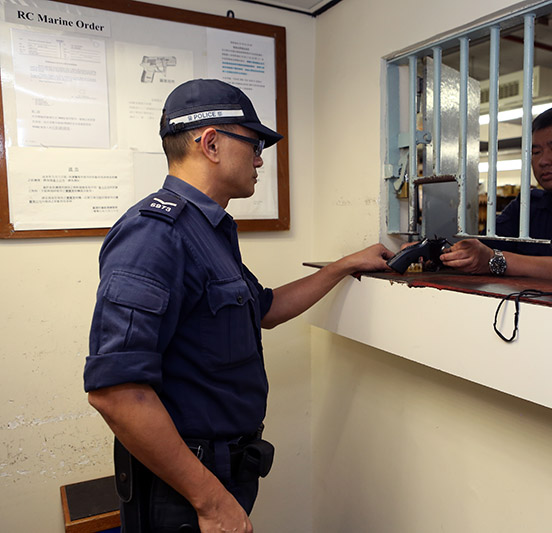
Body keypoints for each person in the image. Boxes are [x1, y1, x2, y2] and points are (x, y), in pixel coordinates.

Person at [83, 79, 393, 533]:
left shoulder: (208, 231)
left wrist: (343, 266)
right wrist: (210, 503)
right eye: (253, 143)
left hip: (223, 470)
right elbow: (116, 394)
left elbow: (263, 310)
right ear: (210, 144)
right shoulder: (155, 235)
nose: (260, 158)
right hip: (183, 487)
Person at [439, 105, 552, 284]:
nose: (543, 161)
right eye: (536, 152)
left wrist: (496, 261)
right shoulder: (527, 206)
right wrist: (438, 252)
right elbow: (481, 248)